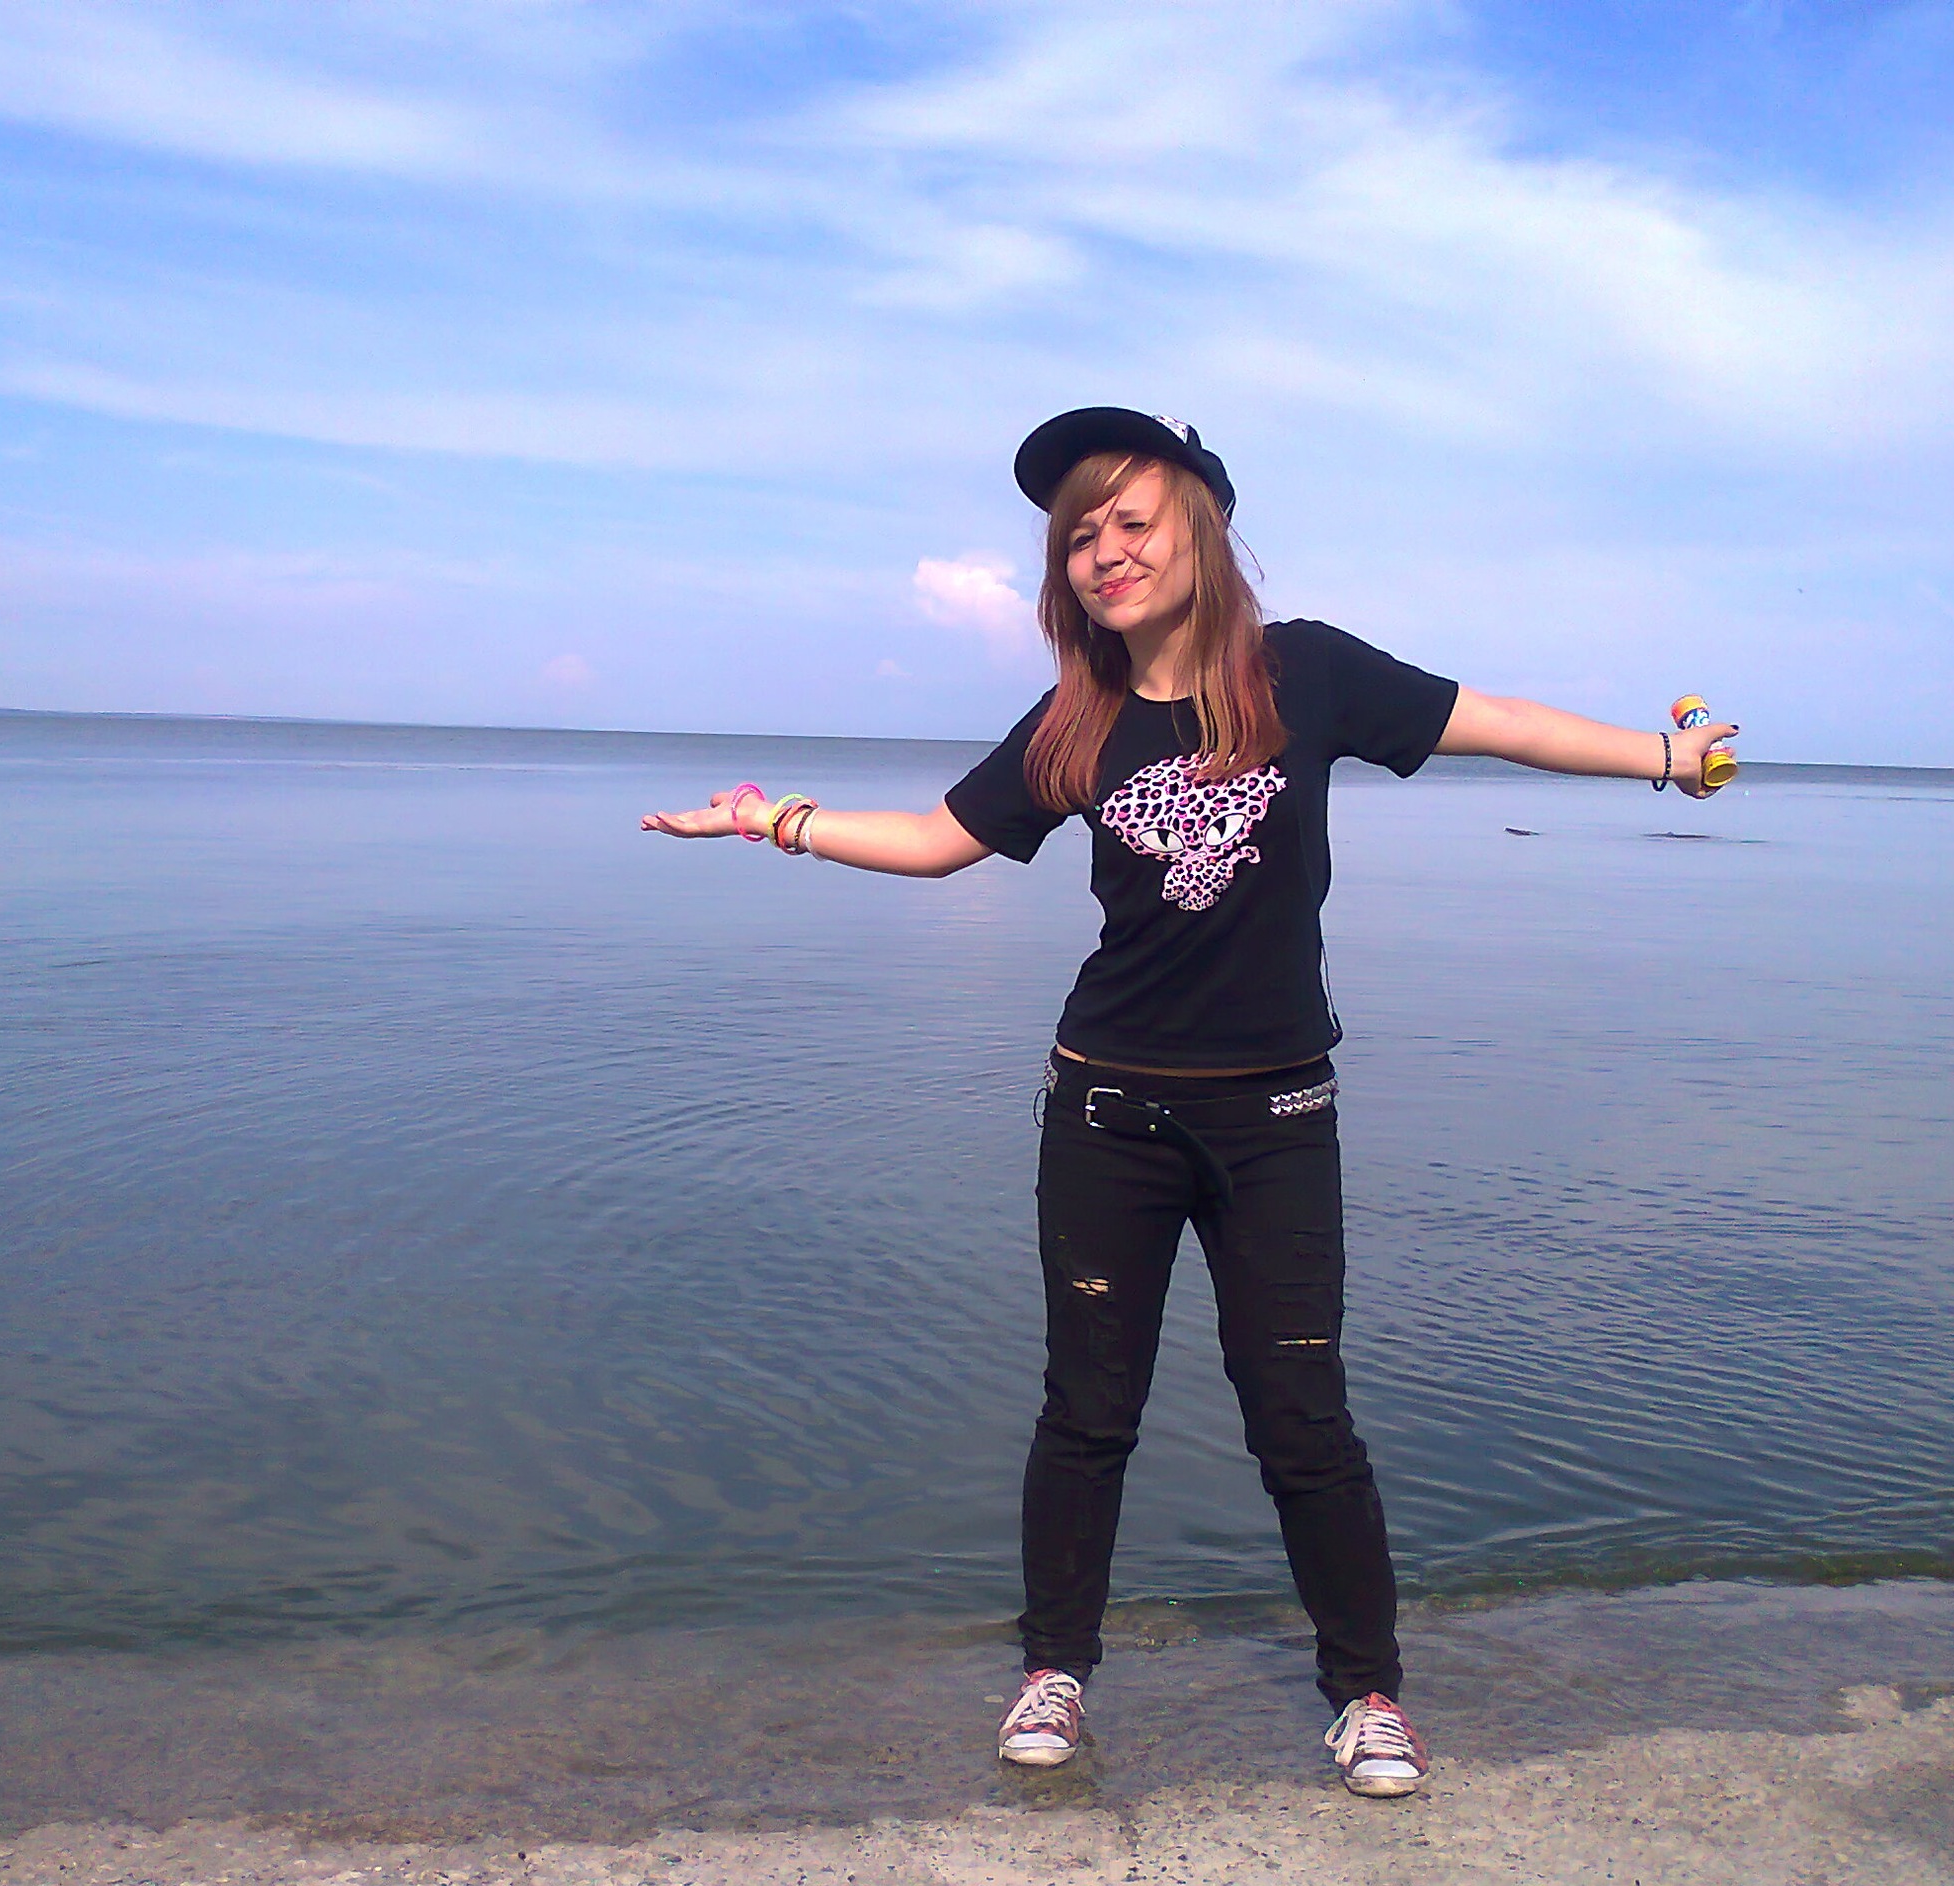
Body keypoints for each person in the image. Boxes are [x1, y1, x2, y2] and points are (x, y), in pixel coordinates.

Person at [641, 408, 1738, 1797]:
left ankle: (1368, 1696)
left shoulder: (1305, 673)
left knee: (1301, 1416)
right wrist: (771, 821)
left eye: (1131, 521)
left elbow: (1497, 724)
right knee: (1087, 1412)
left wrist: (1662, 758)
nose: (1105, 551)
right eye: (1078, 537)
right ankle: (1055, 1670)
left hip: (1277, 1119)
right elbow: (933, 841)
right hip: (1106, 1113)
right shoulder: (1075, 720)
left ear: (1199, 529)